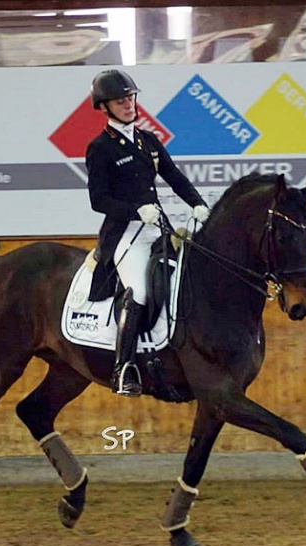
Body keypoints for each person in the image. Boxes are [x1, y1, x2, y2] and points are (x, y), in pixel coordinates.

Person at [86, 69, 209, 397]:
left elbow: (175, 177)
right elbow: (98, 200)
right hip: (124, 233)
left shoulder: (148, 140)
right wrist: (135, 210)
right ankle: (123, 368)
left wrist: (198, 204)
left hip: (157, 228)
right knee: (138, 290)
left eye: (131, 97)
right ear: (104, 107)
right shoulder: (100, 148)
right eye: (120, 101)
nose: (128, 104)